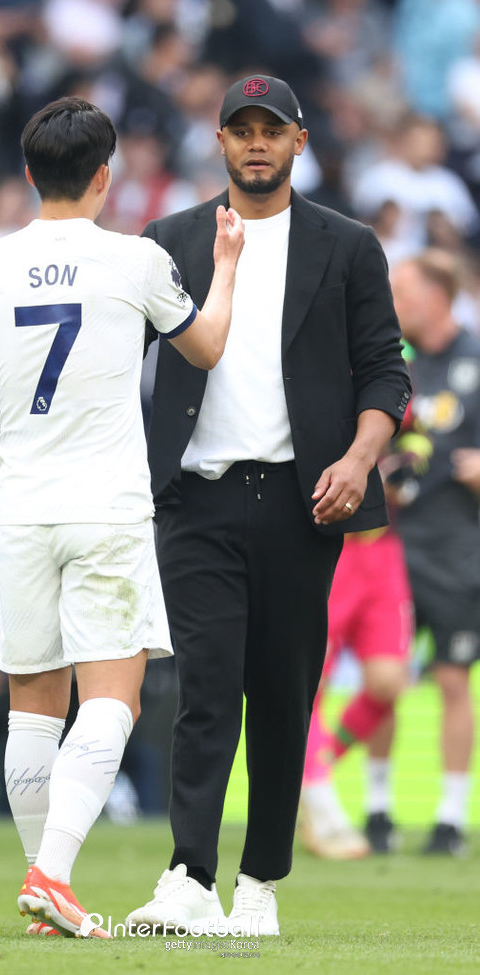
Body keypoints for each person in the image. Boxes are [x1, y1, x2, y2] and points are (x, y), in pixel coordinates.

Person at [0, 95, 244, 937]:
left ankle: (44, 891)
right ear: (104, 176)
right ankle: (51, 872)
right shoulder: (135, 259)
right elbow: (208, 346)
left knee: (32, 708)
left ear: (26, 175)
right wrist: (225, 264)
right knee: (113, 699)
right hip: (108, 507)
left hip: (22, 510)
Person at [127, 73, 411, 937]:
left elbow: (386, 372)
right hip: (196, 498)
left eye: (272, 129)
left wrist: (361, 459)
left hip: (302, 504)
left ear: (299, 142)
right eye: (240, 129)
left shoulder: (348, 245)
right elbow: (112, 359)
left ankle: (260, 883)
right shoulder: (168, 240)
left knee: (282, 692)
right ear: (218, 143)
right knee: (205, 686)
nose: (256, 142)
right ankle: (189, 873)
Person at [389, 248, 480, 856]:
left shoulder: (475, 359)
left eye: (401, 290)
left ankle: (449, 818)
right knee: (384, 679)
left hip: (458, 549)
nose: (392, 302)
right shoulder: (393, 363)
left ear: (435, 297)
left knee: (452, 678)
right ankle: (375, 811)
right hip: (391, 547)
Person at [300, 522, 413, 859]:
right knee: (311, 679)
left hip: (382, 545)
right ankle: (321, 805)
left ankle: (309, 771)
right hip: (329, 543)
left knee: (388, 683)